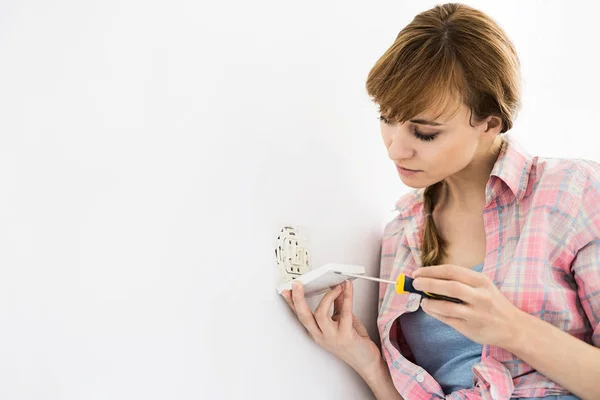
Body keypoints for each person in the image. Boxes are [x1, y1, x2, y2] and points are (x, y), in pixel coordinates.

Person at [280, 3, 600, 400]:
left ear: (489, 123)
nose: (396, 149)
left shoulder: (573, 193)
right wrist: (367, 362)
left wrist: (509, 328)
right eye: (387, 117)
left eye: (425, 133)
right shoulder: (403, 231)